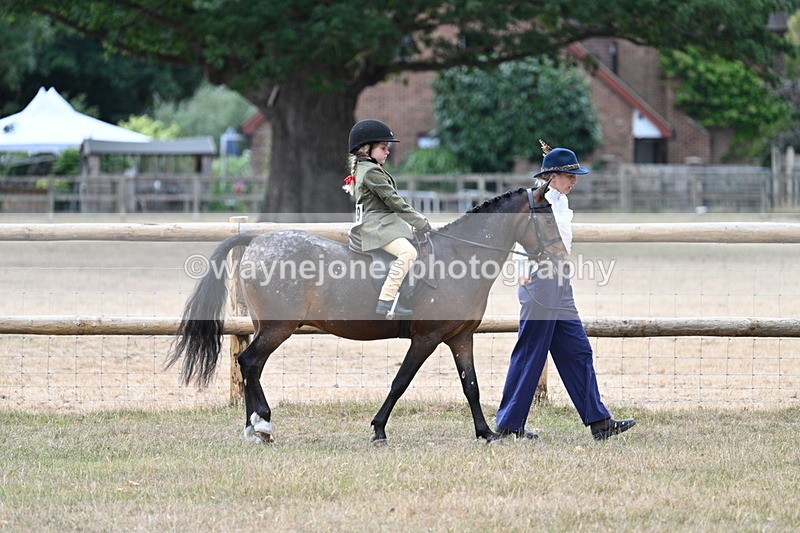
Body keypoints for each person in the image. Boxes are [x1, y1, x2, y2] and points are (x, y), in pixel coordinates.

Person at [495, 141, 636, 441]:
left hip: (560, 281)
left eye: (575, 176)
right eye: (570, 176)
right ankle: (508, 425)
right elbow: (520, 237)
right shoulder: (535, 202)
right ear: (552, 177)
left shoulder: (560, 202)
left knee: (577, 349)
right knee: (531, 351)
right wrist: (522, 271)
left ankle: (599, 422)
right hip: (540, 281)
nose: (574, 181)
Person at [344, 119, 431, 319]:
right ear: (366, 149)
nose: (387, 152)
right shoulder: (372, 172)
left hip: (380, 223)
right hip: (377, 227)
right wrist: (420, 222)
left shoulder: (366, 168)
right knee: (408, 253)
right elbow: (394, 202)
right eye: (383, 148)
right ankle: (387, 300)